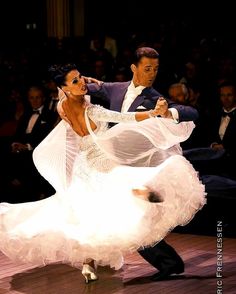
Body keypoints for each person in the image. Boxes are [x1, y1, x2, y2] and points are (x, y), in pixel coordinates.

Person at [0, 63, 205, 285]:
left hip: (82, 165)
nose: (82, 83)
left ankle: (89, 264)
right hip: (103, 161)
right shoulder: (93, 111)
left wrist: (92, 84)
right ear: (65, 88)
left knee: (90, 217)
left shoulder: (61, 107)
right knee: (119, 195)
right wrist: (153, 113)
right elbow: (124, 118)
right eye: (76, 81)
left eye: (81, 77)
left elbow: (72, 124)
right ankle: (142, 192)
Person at [84, 47, 199, 281]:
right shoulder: (116, 89)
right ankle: (168, 262)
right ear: (134, 68)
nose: (152, 74)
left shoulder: (154, 98)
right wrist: (79, 81)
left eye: (155, 69)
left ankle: (168, 262)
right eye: (147, 68)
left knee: (132, 217)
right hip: (113, 162)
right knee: (124, 216)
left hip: (137, 164)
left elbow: (192, 112)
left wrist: (169, 113)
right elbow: (92, 86)